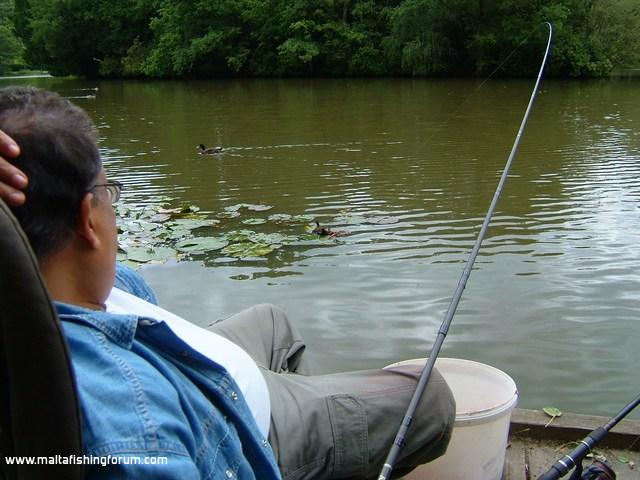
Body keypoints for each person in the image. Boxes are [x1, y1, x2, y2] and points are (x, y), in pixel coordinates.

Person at [0, 86, 455, 479]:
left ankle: (314, 423)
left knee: (272, 321)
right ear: (88, 220)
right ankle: (293, 445)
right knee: (429, 398)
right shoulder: (138, 432)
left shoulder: (56, 282)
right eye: (108, 194)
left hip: (194, 371)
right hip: (229, 428)